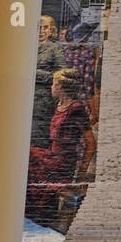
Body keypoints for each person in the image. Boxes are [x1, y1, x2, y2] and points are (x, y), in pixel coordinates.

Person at [25, 68, 90, 225]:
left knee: (29, 155)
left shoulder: (76, 109)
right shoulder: (60, 105)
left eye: (54, 84)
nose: (51, 87)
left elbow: (91, 141)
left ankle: (37, 215)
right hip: (52, 156)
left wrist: (81, 171)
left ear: (61, 87)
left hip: (63, 162)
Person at [32, 16, 67, 147]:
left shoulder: (55, 48)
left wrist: (36, 73)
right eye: (38, 27)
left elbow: (61, 73)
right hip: (22, 98)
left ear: (51, 30)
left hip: (43, 100)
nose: (41, 31)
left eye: (45, 28)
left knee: (38, 135)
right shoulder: (24, 46)